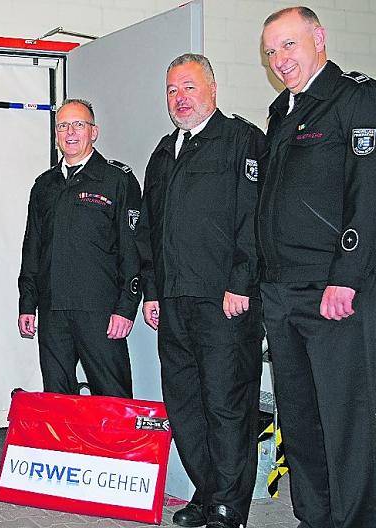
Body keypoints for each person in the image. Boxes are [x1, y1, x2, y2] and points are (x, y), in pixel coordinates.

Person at [259, 7, 376, 528]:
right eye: (270, 52)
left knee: (344, 420)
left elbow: (370, 194)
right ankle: (314, 518)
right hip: (281, 290)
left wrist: (346, 276)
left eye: (288, 45)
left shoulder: (357, 98)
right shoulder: (283, 110)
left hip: (331, 288)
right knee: (300, 419)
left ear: (318, 38)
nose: (279, 60)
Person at [137, 54, 265, 528]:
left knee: (227, 405)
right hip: (174, 301)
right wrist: (152, 291)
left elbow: (254, 217)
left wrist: (241, 281)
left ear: (212, 88)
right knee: (186, 404)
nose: (180, 98)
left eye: (189, 87)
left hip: (224, 302)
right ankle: (207, 493)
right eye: (172, 90)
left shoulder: (241, 140)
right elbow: (150, 230)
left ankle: (229, 505)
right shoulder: (163, 152)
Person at [18, 98, 142, 398]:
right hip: (53, 311)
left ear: (93, 132)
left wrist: (126, 308)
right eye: (63, 126)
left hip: (100, 311)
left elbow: (133, 249)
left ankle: (114, 436)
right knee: (57, 398)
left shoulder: (117, 180)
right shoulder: (44, 185)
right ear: (56, 134)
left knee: (112, 397)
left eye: (78, 124)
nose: (70, 132)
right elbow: (32, 249)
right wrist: (27, 304)